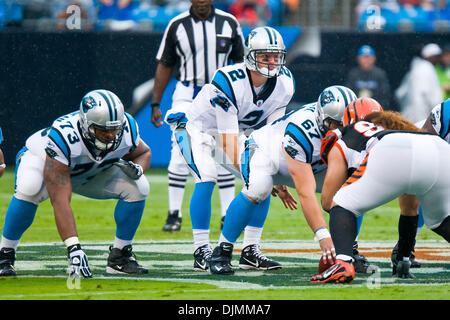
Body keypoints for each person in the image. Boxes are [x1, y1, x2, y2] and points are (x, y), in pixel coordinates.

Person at [167, 26, 295, 271]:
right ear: (249, 55)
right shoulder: (228, 81)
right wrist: (251, 173)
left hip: (233, 132)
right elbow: (227, 141)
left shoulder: (285, 84)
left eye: (276, 56)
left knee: (265, 175)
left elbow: (271, 135)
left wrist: (274, 178)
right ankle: (201, 250)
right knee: (207, 177)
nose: (271, 62)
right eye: (265, 56)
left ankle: (250, 251)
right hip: (197, 130)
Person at [208, 85, 358, 275]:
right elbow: (305, 192)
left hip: (307, 163)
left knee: (350, 190)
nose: (338, 130)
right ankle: (222, 251)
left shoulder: (351, 126)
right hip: (266, 153)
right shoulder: (302, 131)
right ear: (321, 116)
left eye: (344, 124)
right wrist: (323, 236)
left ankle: (349, 252)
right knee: (259, 188)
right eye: (333, 124)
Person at [0, 89, 151, 277]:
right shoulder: (65, 137)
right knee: (30, 188)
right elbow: (60, 200)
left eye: (114, 129)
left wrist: (137, 169)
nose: (111, 136)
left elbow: (143, 153)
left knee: (139, 186)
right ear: (86, 125)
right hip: (41, 162)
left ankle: (120, 257)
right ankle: (5, 254)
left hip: (86, 172)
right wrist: (74, 249)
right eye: (103, 131)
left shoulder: (127, 127)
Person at [310, 111, 450, 284]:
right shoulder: (404, 132)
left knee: (342, 203)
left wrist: (342, 242)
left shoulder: (339, 137)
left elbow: (328, 201)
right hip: (440, 148)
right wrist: (404, 259)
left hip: (391, 149)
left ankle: (343, 263)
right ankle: (403, 261)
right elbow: (410, 209)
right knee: (441, 220)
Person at [150, 0, 245, 232]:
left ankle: (226, 213)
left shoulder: (229, 22)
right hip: (187, 93)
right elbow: (165, 64)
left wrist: (242, 98)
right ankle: (174, 213)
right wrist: (155, 102)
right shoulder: (177, 24)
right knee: (179, 148)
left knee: (226, 149)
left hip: (220, 93)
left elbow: (241, 64)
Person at [396, 43, 443, 123]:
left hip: (412, 113)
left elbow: (400, 93)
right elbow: (430, 95)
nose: (438, 59)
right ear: (430, 56)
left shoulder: (417, 68)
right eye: (436, 56)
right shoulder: (426, 68)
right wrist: (439, 111)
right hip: (423, 113)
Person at [346, 45, 391, 110]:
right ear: (358, 59)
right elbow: (348, 93)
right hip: (357, 109)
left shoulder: (380, 74)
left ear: (374, 58)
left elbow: (385, 95)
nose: (366, 60)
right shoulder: (353, 74)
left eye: (368, 57)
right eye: (364, 57)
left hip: (375, 110)